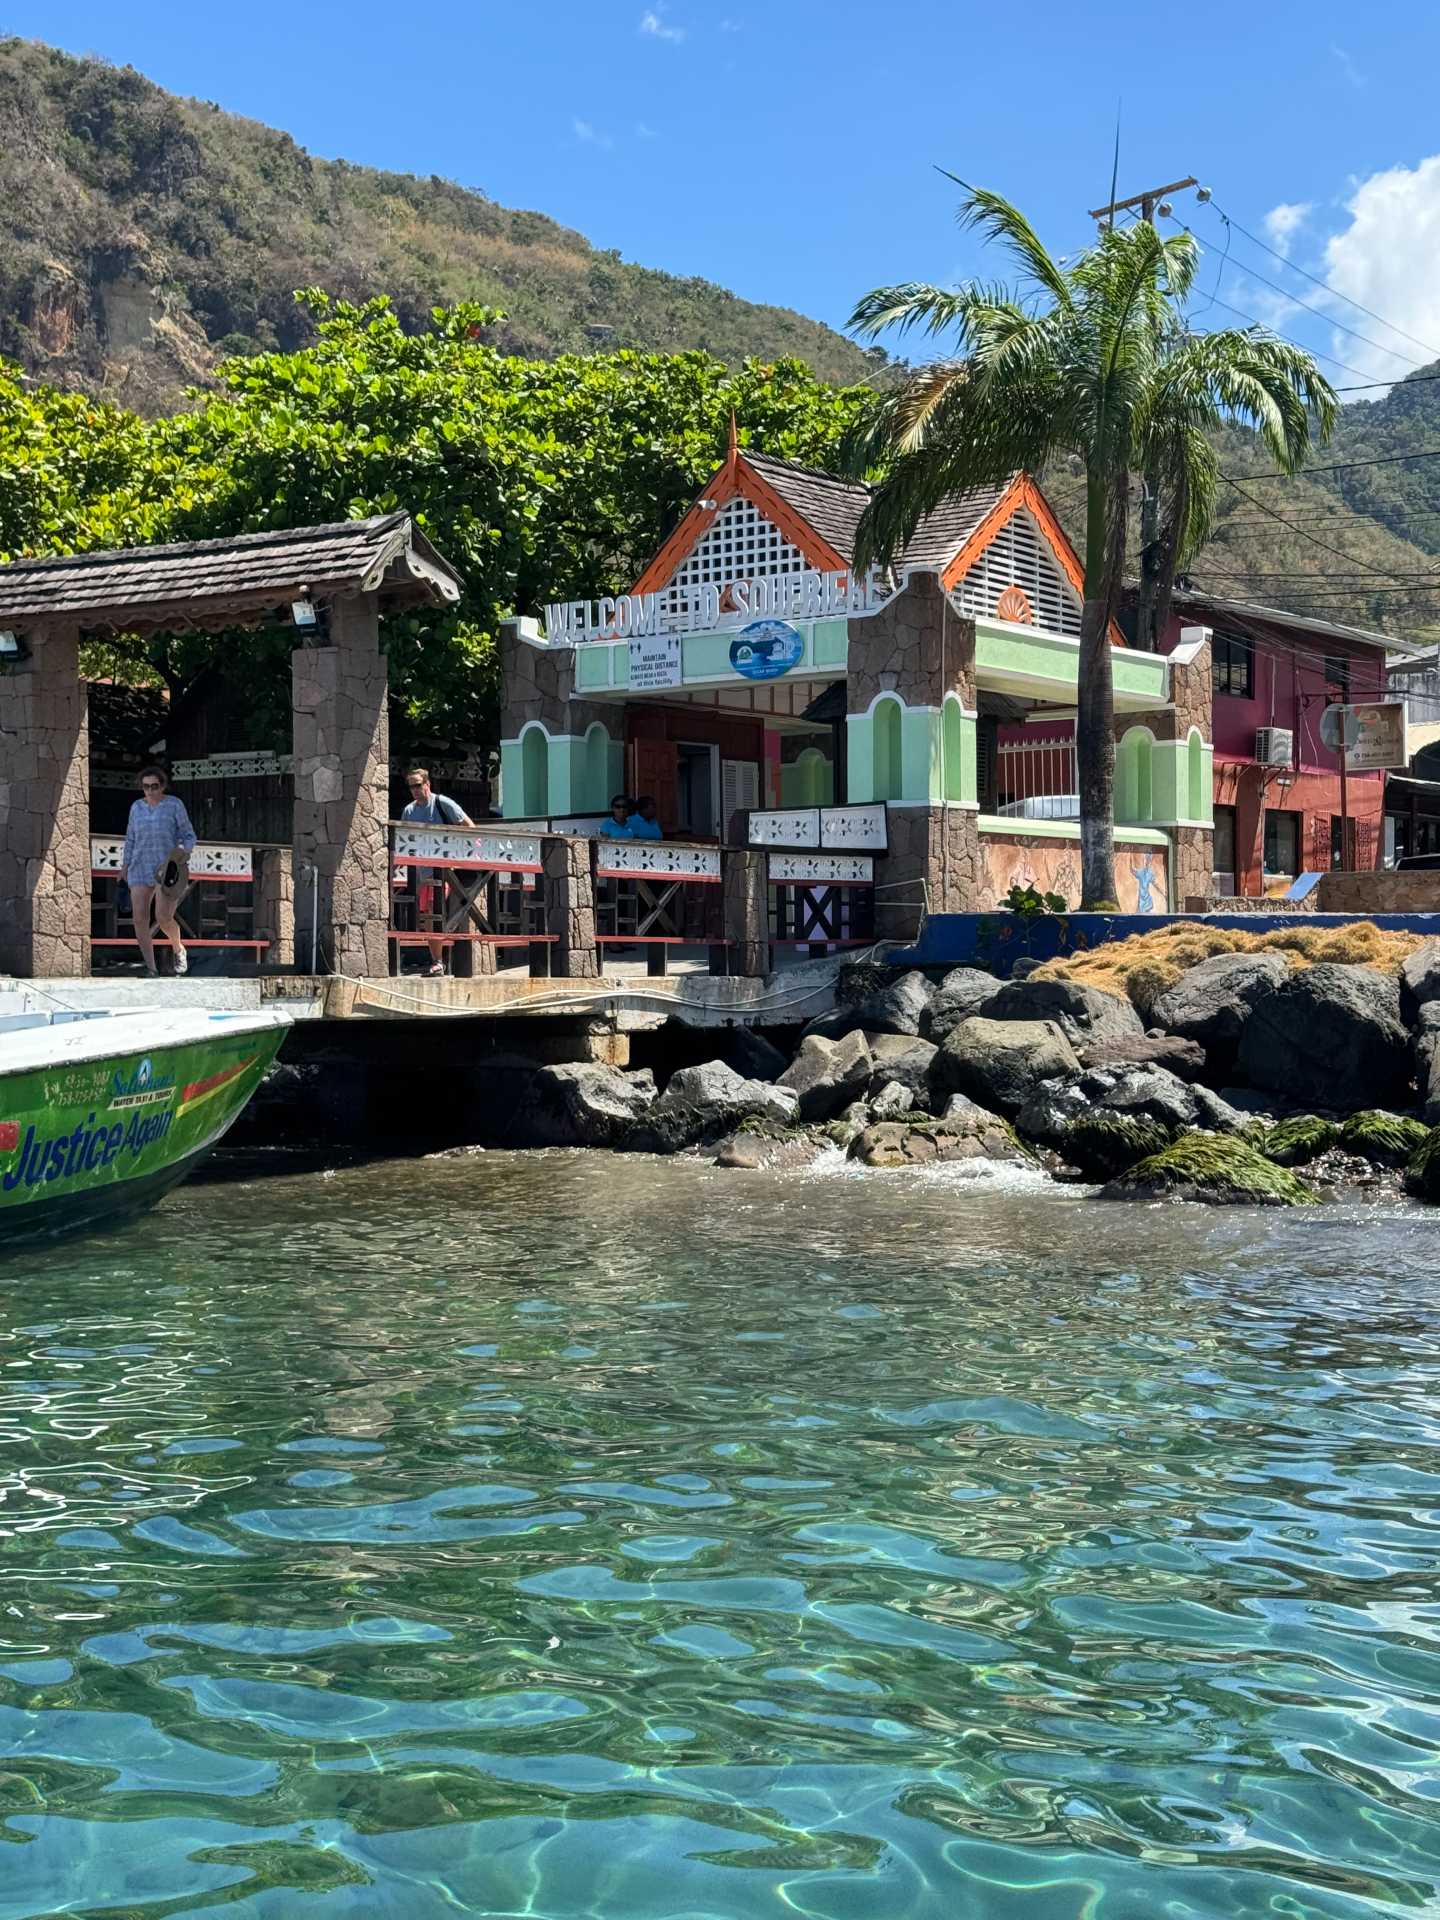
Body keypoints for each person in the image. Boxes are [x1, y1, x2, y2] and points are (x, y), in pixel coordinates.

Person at [121, 766, 197, 977]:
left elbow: (189, 835)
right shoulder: (136, 807)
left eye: (154, 786)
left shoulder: (174, 805)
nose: (150, 791)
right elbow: (130, 838)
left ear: (162, 786)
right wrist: (125, 865)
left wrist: (181, 853)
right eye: (146, 787)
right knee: (139, 918)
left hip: (167, 868)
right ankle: (150, 967)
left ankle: (178, 948)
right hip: (140, 865)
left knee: (163, 916)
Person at [401, 768, 473, 976]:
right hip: (423, 872)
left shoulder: (443, 803)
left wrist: (461, 854)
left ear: (427, 784)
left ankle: (439, 961)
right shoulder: (409, 811)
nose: (414, 790)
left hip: (446, 870)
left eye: (417, 785)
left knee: (435, 911)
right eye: (411, 786)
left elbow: (469, 827)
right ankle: (438, 960)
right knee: (429, 916)